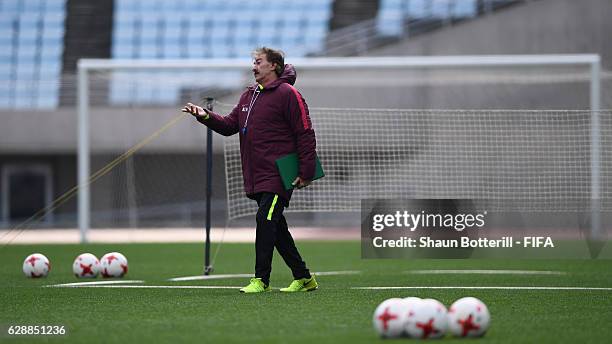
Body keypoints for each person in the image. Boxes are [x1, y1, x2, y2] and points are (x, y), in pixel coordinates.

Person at [182, 47, 318, 293]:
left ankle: (260, 280)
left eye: (258, 62)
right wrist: (204, 116)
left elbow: (305, 132)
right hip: (256, 173)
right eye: (253, 62)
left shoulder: (289, 94)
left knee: (264, 220)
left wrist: (306, 171)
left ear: (273, 66)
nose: (253, 66)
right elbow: (229, 126)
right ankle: (304, 277)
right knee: (276, 227)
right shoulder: (249, 95)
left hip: (280, 173)